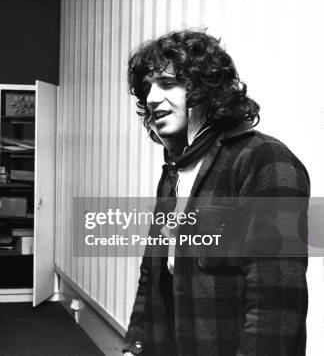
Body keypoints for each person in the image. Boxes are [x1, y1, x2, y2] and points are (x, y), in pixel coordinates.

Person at [122, 30, 309, 355]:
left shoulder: (262, 160)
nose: (151, 97)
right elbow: (150, 278)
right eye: (146, 88)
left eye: (167, 83)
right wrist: (134, 347)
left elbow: (275, 307)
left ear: (207, 89)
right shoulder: (173, 172)